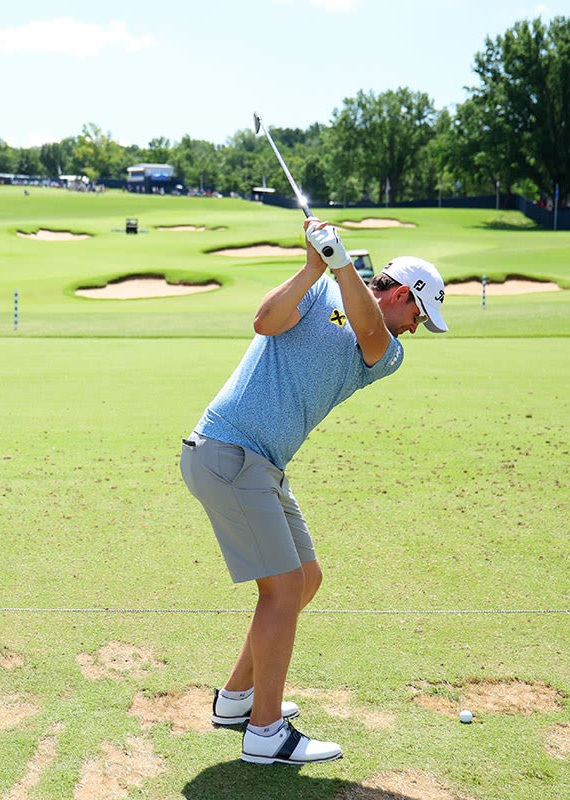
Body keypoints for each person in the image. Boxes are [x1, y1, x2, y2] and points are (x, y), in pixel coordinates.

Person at [180, 217, 447, 765]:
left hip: (261, 464)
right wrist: (311, 267)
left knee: (306, 579)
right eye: (420, 314)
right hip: (229, 451)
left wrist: (342, 263)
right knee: (282, 589)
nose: (417, 327)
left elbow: (369, 333)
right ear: (401, 294)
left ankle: (237, 701)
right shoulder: (322, 286)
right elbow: (265, 321)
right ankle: (267, 733)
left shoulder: (388, 349)